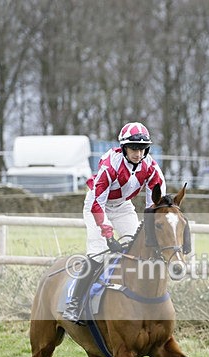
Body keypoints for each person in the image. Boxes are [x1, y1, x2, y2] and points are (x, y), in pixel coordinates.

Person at [62, 121, 166, 322]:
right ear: (124, 147)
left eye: (142, 149)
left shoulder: (151, 167)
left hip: (123, 207)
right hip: (97, 206)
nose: (138, 153)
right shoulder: (110, 165)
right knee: (98, 254)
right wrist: (109, 236)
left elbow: (154, 204)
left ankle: (134, 297)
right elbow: (97, 204)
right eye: (134, 148)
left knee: (137, 248)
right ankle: (74, 303)